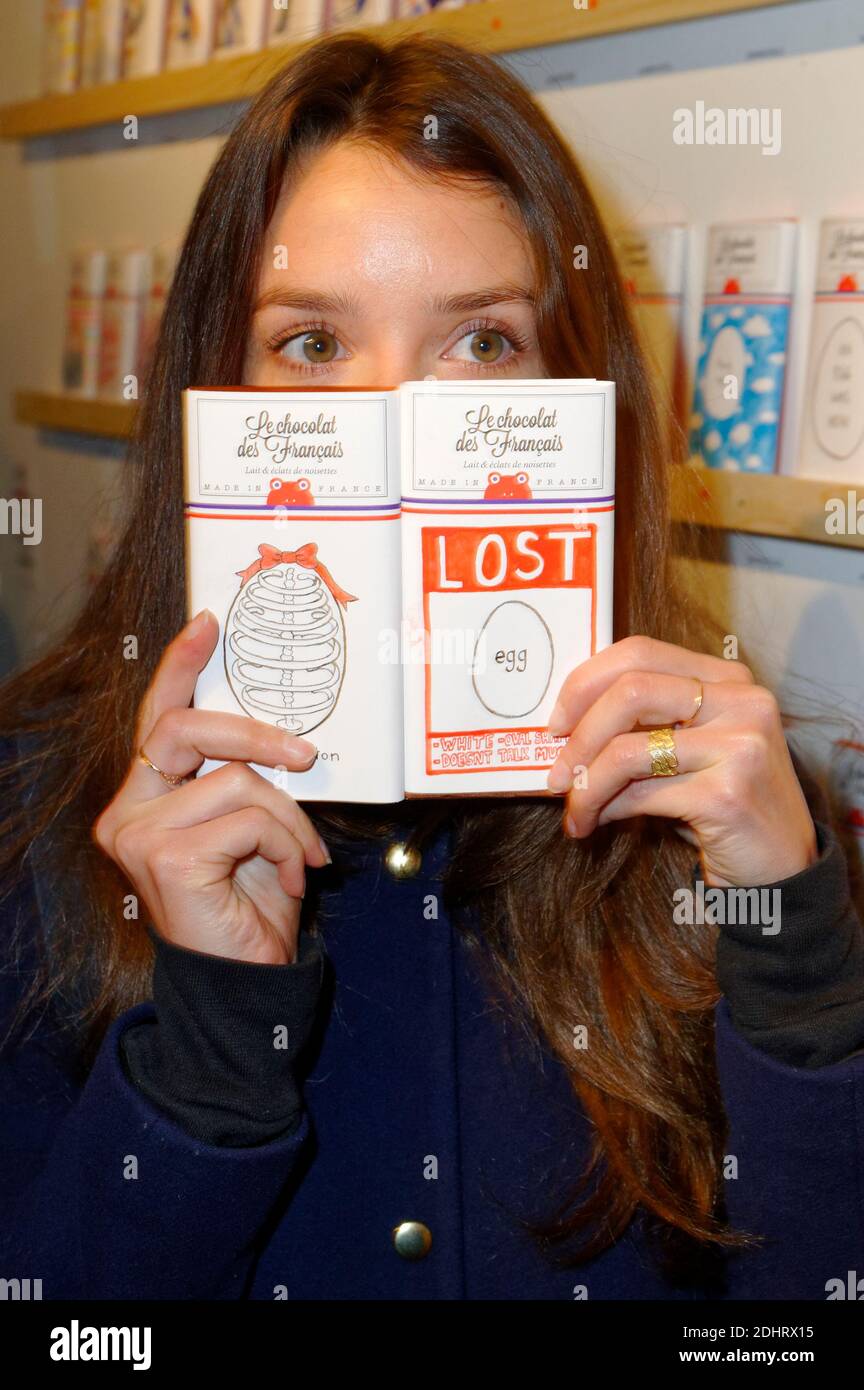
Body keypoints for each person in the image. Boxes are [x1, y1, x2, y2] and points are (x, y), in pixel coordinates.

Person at [0, 32, 862, 1301]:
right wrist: (205, 1053)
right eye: (310, 342)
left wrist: (793, 952)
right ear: (212, 383)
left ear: (579, 390)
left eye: (482, 343)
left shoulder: (721, 814)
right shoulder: (36, 806)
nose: (399, 430)